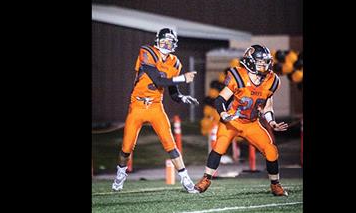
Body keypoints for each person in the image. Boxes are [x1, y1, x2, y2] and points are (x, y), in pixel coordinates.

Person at [112, 28, 199, 193]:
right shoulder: (147, 52)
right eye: (163, 41)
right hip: (137, 106)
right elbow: (158, 79)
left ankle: (186, 179)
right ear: (157, 41)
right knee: (126, 147)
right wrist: (183, 78)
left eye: (169, 42)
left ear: (174, 44)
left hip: (155, 107)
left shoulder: (175, 63)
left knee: (170, 144)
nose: (166, 44)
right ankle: (121, 173)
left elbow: (173, 92)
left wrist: (182, 97)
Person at [194, 45, 289, 196]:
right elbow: (220, 99)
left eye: (266, 62)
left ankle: (275, 184)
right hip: (232, 121)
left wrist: (272, 122)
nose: (264, 66)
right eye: (260, 62)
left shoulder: (271, 80)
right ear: (250, 62)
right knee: (219, 146)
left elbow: (267, 107)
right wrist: (223, 114)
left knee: (271, 151)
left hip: (252, 123)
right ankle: (205, 179)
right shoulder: (239, 76)